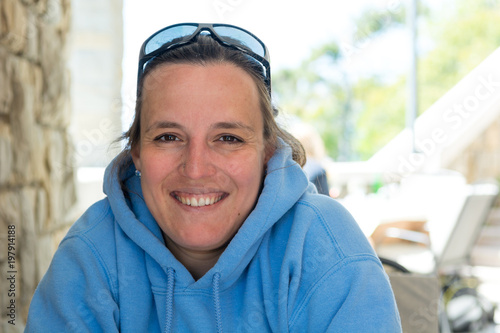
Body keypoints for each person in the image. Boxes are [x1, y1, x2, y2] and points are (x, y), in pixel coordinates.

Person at [26, 23, 401, 332]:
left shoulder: (324, 246)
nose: (196, 168)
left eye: (228, 138)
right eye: (169, 137)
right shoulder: (91, 253)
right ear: (137, 152)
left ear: (267, 154)